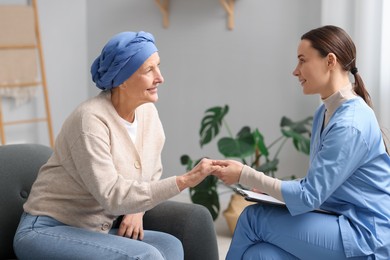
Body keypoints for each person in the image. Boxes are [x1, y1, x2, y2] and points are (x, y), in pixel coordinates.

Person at [13, 31, 220, 260]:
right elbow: (112, 195)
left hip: (94, 230)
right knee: (146, 255)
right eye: (149, 70)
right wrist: (185, 181)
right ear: (122, 79)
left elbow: (151, 173)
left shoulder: (148, 113)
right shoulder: (90, 120)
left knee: (171, 246)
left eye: (158, 66)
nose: (160, 77)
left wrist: (138, 210)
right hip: (46, 230)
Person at [212, 25, 390, 260]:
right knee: (261, 254)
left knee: (253, 219)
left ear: (330, 61)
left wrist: (246, 174)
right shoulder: (325, 112)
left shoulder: (350, 123)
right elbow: (318, 185)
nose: (295, 71)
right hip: (338, 219)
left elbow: (309, 196)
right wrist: (265, 189)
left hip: (364, 234)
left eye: (302, 60)